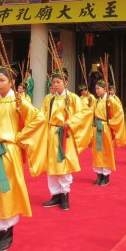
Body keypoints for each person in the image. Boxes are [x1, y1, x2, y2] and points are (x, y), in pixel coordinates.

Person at [0, 65, 47, 251]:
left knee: (8, 192)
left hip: (8, 154)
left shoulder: (18, 102)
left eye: (2, 80)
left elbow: (39, 119)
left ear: (11, 82)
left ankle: (8, 233)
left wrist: (19, 138)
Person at [40, 68, 92, 211]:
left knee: (63, 165)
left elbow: (86, 112)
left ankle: (64, 195)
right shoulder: (49, 98)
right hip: (51, 134)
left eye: (58, 82)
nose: (55, 85)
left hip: (64, 136)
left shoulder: (73, 98)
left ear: (66, 82)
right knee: (51, 166)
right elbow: (42, 116)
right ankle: (55, 194)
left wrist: (71, 122)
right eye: (53, 82)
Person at [90, 79, 126, 186]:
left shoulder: (110, 100)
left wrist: (110, 123)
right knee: (97, 151)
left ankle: (106, 176)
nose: (96, 91)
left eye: (98, 88)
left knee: (106, 151)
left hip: (105, 128)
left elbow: (119, 113)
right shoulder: (96, 101)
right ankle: (99, 174)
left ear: (105, 89)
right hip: (97, 128)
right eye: (95, 88)